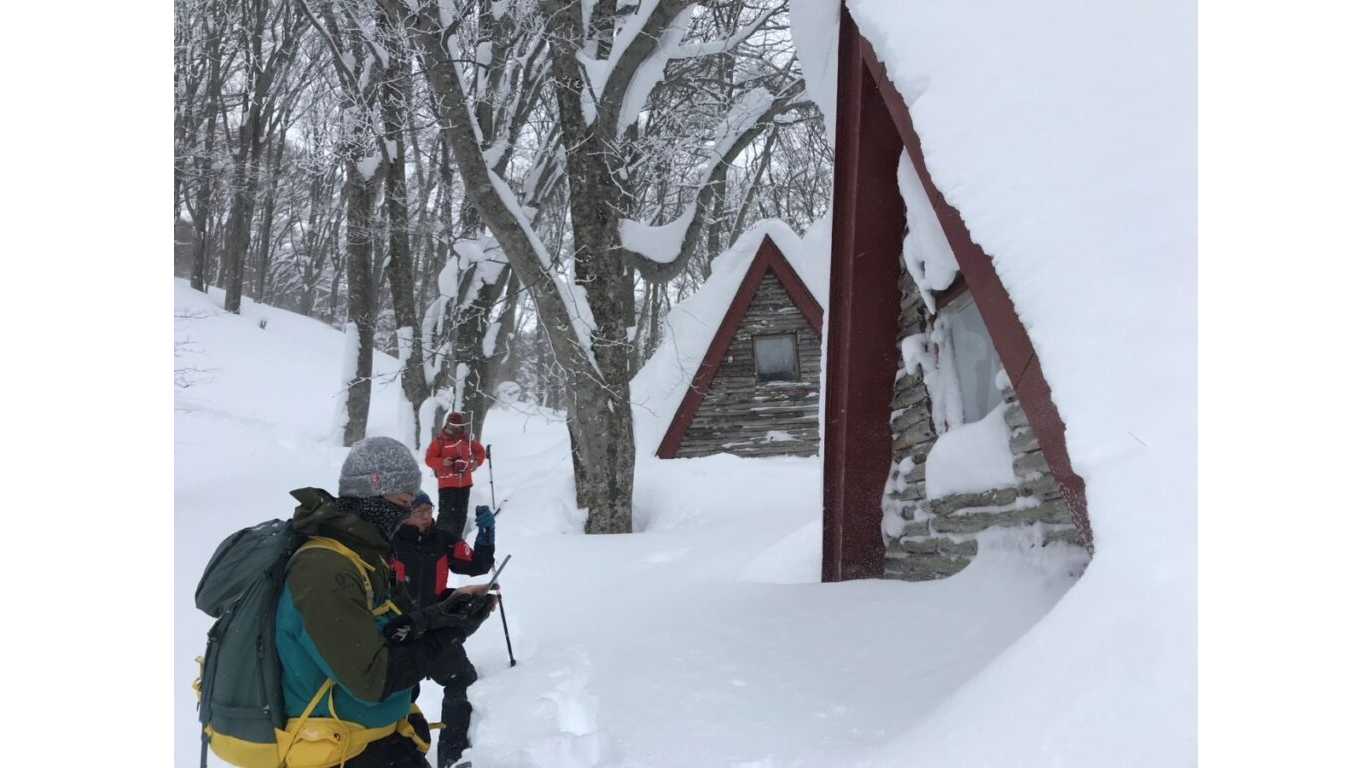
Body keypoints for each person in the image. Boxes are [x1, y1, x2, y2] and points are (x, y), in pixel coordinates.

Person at [275, 436, 497, 768]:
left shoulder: (364, 555)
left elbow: (387, 631)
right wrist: (450, 634)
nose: (408, 512)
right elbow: (373, 680)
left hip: (371, 738)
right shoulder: (325, 568)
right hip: (337, 750)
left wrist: (443, 614)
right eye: (404, 499)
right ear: (372, 494)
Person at [391, 492, 499, 768]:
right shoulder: (389, 542)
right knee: (399, 697)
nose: (426, 516)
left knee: (461, 681)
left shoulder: (442, 539)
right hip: (399, 631)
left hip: (436, 626)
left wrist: (486, 536)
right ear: (405, 513)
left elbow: (477, 565)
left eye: (428, 510)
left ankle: (454, 757)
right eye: (419, 511)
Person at [425, 412, 487, 536]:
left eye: (460, 426)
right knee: (446, 515)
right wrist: (443, 462)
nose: (457, 429)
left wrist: (476, 463)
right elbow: (429, 459)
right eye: (454, 426)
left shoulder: (467, 440)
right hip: (447, 484)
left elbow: (480, 451)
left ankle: (456, 542)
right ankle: (440, 542)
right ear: (447, 425)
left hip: (465, 483)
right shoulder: (439, 441)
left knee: (460, 515)